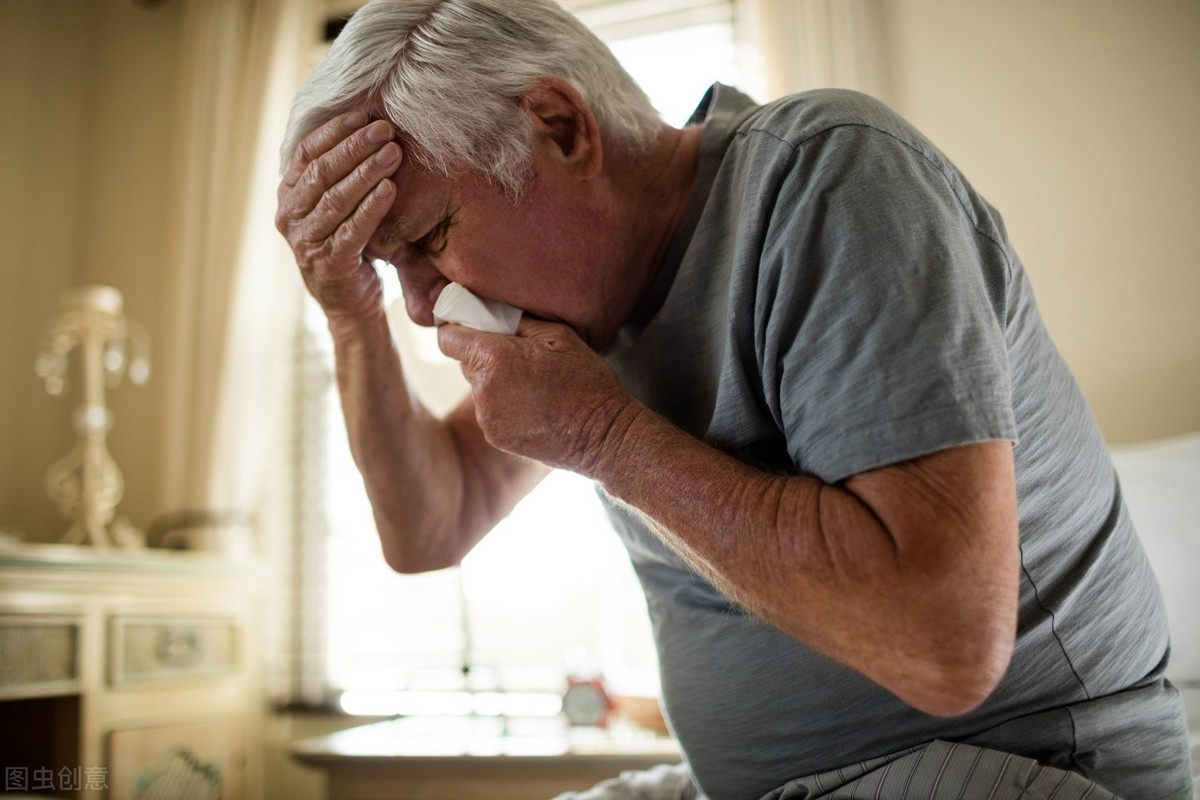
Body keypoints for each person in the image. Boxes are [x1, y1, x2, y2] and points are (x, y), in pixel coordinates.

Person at [274, 1, 1194, 797]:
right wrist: (349, 315)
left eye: (428, 239)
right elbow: (431, 524)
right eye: (389, 269)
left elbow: (943, 644)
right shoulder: (587, 308)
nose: (428, 308)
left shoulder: (828, 179)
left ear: (560, 127)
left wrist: (604, 436)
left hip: (1007, 767)